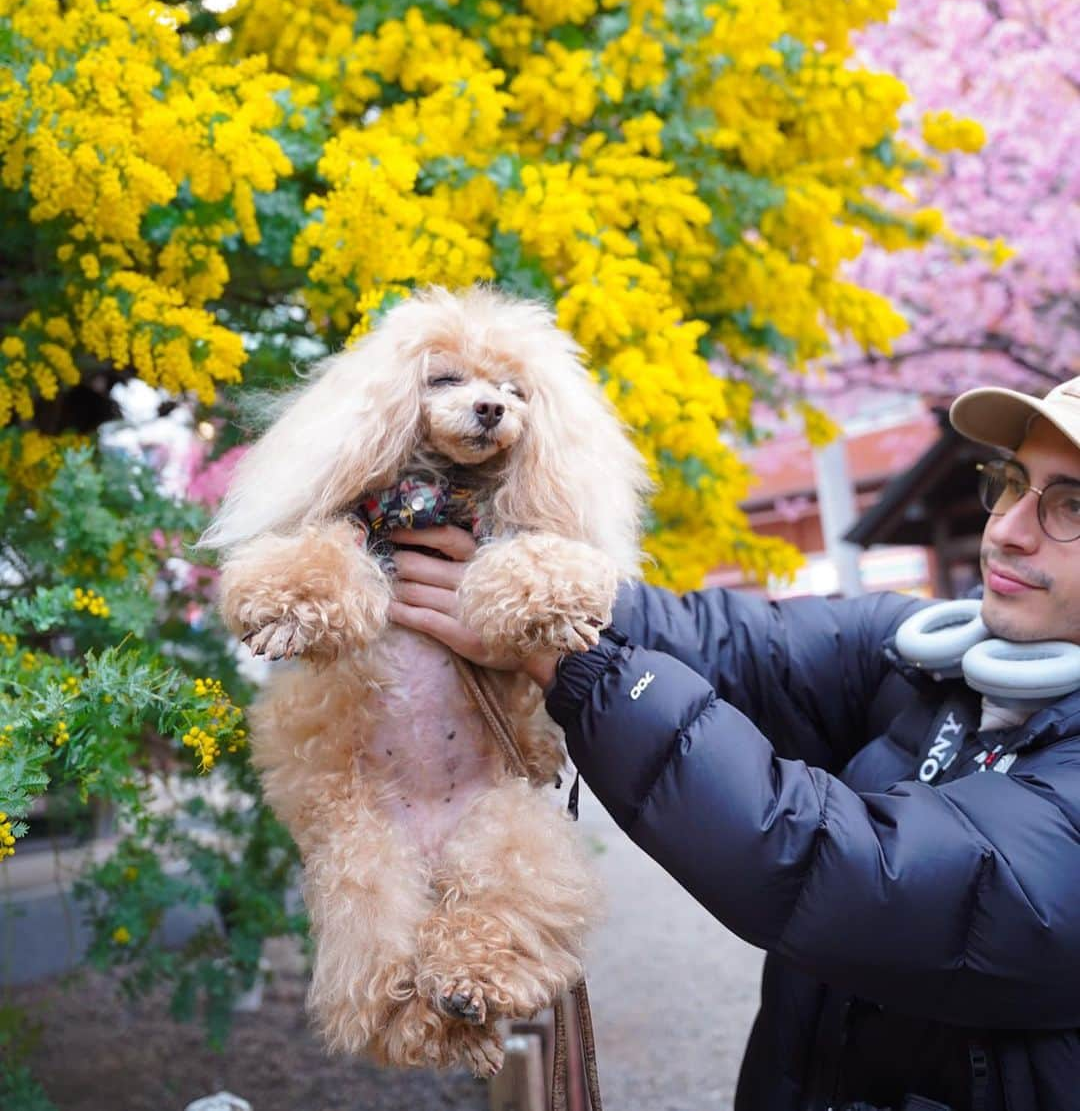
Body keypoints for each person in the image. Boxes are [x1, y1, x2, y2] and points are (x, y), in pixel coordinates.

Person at [388, 376, 1080, 1111]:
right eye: (1012, 483)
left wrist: (578, 663)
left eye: (1071, 505)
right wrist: (529, 582)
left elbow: (858, 871)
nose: (1007, 528)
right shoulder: (937, 658)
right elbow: (738, 647)